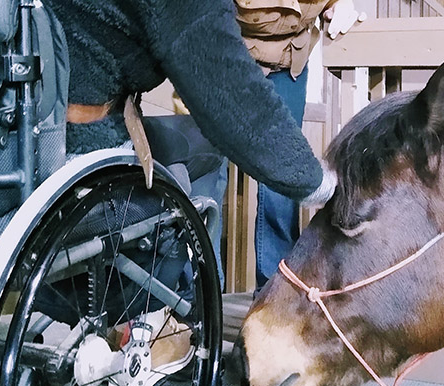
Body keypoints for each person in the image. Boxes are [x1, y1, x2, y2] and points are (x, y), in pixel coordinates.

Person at [47, 0, 337, 213]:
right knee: (205, 151)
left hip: (27, 129)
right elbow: (235, 100)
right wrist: (316, 181)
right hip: (78, 147)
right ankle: (187, 289)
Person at [235, 0, 365, 291]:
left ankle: (275, 291)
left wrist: (339, 5)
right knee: (209, 172)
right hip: (229, 57)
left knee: (282, 180)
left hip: (289, 66)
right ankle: (198, 301)